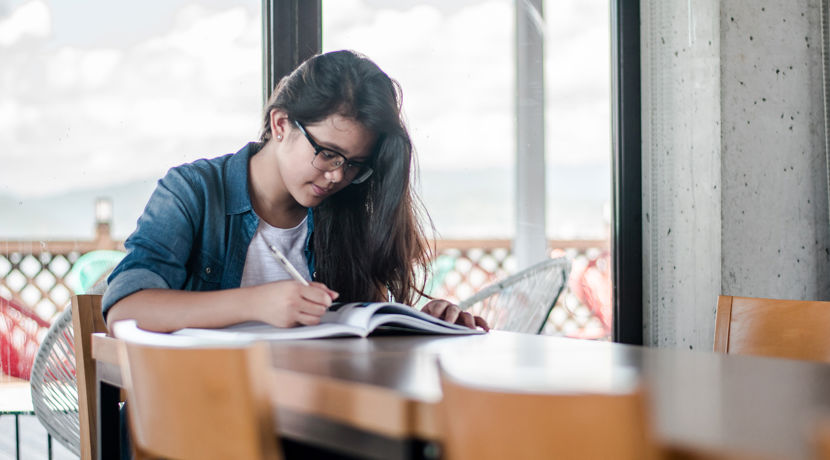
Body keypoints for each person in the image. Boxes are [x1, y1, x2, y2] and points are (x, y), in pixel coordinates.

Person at [103, 50, 489, 333]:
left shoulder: (344, 209)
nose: (338, 176)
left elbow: (363, 330)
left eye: (354, 163)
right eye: (328, 154)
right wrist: (257, 302)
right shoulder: (193, 191)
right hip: (192, 415)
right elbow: (125, 309)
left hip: (302, 413)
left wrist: (426, 322)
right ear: (282, 123)